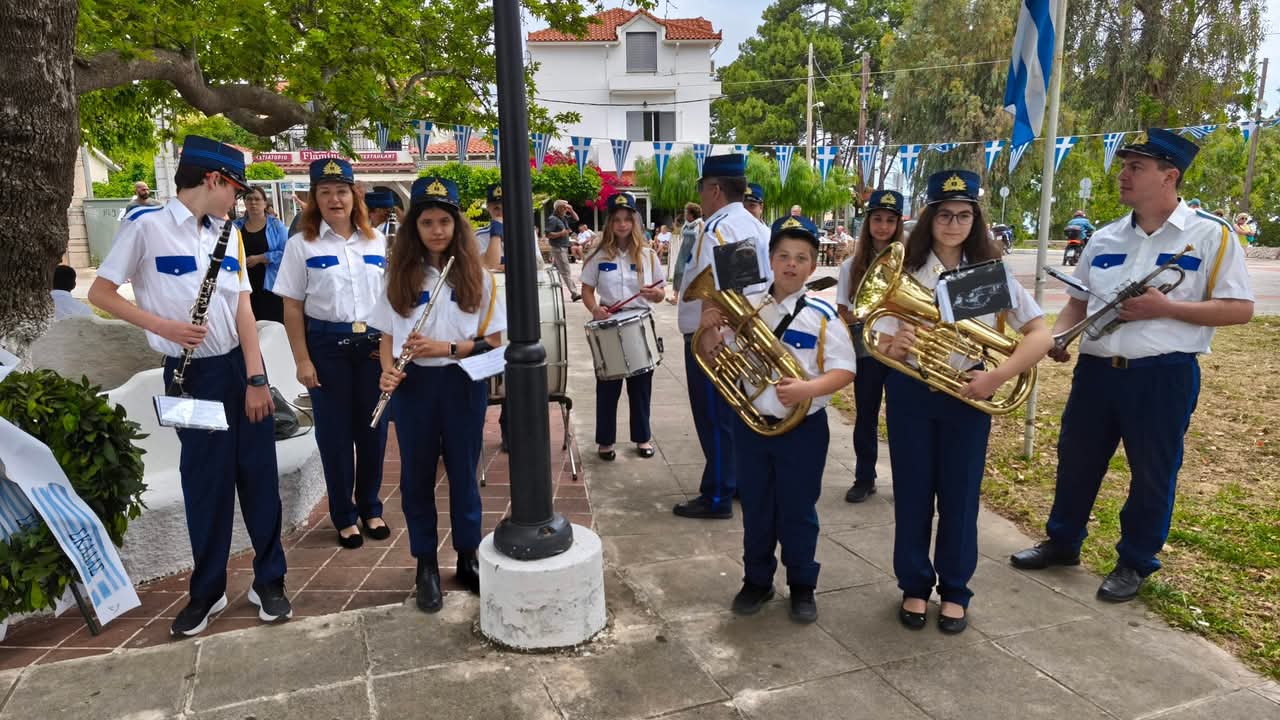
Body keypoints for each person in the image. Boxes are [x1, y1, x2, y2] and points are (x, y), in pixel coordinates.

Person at [1011, 129, 1254, 602]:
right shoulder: (1104, 237)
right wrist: (1061, 337)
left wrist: (1168, 308)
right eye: (1124, 165)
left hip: (1162, 374)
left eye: (1135, 167)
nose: (1123, 174)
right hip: (1096, 372)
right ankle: (1063, 542)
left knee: (1152, 472)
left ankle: (1135, 561)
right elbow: (1077, 303)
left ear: (1169, 176)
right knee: (1076, 461)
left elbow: (1240, 309)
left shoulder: (1210, 234)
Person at [88, 135, 290, 637]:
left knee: (260, 478)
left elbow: (243, 309)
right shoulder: (146, 227)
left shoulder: (229, 235)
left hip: (239, 371)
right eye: (234, 189)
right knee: (205, 484)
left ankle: (270, 580)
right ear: (212, 179)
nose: (238, 199)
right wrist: (163, 327)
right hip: (189, 377)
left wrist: (257, 377)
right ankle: (208, 590)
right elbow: (101, 292)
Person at [877, 169, 1051, 634]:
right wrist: (896, 344)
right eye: (944, 215)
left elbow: (1040, 335)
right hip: (912, 392)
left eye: (964, 215)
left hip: (968, 396)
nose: (953, 224)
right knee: (912, 495)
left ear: (976, 220)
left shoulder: (993, 273)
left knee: (960, 497)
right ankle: (914, 585)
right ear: (929, 218)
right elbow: (881, 341)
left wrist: (997, 376)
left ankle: (955, 590)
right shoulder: (905, 272)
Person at [370, 176, 506, 613]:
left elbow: (494, 342)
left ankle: (467, 556)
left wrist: (445, 348)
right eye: (427, 222)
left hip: (461, 382)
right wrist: (387, 370)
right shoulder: (398, 274)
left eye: (444, 221)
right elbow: (387, 336)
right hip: (413, 387)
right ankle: (425, 562)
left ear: (456, 224)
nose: (436, 230)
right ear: (415, 227)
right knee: (416, 477)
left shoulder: (478, 276)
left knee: (464, 473)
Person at [723, 214, 856, 624]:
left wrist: (807, 389)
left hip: (803, 430)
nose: (791, 264)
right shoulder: (748, 306)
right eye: (783, 256)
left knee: (798, 511)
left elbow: (845, 370)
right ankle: (756, 580)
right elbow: (719, 354)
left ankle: (802, 584)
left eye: (801, 257)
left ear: (812, 266)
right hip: (753, 426)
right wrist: (711, 328)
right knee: (756, 508)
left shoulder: (822, 314)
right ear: (770, 259)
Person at [272, 158, 390, 550]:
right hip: (326, 349)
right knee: (335, 436)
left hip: (372, 347)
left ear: (355, 195)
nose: (334, 199)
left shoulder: (376, 241)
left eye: (341, 191)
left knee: (373, 430)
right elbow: (292, 308)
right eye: (325, 192)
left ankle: (370, 507)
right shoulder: (300, 245)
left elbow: (389, 303)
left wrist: (390, 353)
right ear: (314, 198)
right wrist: (302, 360)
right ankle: (344, 516)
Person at [674, 154, 772, 520]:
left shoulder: (718, 227)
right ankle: (737, 482)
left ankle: (717, 495)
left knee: (715, 418)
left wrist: (709, 333)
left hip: (716, 337)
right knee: (735, 417)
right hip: (744, 334)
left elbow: (726, 286)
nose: (700, 195)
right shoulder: (756, 225)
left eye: (702, 188)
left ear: (715, 189)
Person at [580, 193, 666, 461]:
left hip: (639, 322)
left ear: (634, 222)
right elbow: (586, 291)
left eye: (627, 219)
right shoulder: (597, 255)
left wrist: (656, 295)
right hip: (608, 324)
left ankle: (642, 437)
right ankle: (605, 441)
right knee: (608, 387)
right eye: (616, 219)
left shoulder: (648, 255)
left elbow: (661, 292)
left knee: (640, 387)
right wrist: (595, 310)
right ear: (610, 222)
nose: (622, 224)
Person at [835, 190, 904, 503]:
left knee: (903, 419)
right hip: (867, 350)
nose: (883, 226)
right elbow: (843, 310)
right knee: (866, 415)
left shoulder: (910, 264)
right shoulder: (850, 266)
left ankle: (906, 480)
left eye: (890, 220)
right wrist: (866, 316)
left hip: (902, 351)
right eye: (877, 219)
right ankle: (865, 477)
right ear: (868, 223)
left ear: (898, 225)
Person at [234, 186, 288, 323]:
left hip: (269, 285)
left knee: (272, 326)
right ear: (245, 203)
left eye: (257, 199)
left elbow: (286, 253)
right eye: (249, 199)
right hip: (243, 285)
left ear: (265, 203)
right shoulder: (235, 226)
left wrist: (261, 258)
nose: (253, 203)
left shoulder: (276, 226)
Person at [546, 200, 581, 300]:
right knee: (566, 271)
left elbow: (576, 219)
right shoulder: (553, 219)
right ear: (558, 208)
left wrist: (571, 210)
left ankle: (549, 286)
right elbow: (548, 234)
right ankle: (574, 293)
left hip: (563, 247)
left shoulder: (563, 218)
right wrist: (562, 233)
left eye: (566, 207)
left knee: (555, 269)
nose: (566, 209)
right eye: (564, 207)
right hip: (558, 248)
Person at [669, 202, 703, 303]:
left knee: (692, 274)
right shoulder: (686, 225)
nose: (685, 215)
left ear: (692, 214)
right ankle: (675, 296)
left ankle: (692, 296)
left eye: (686, 213)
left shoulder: (700, 224)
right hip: (684, 250)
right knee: (678, 271)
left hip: (693, 252)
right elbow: (679, 233)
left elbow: (702, 237)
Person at [472, 183, 506, 270]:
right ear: (488, 208)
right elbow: (486, 265)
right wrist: (497, 229)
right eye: (496, 208)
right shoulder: (479, 235)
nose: (501, 212)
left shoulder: (526, 232)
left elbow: (537, 262)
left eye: (506, 207)